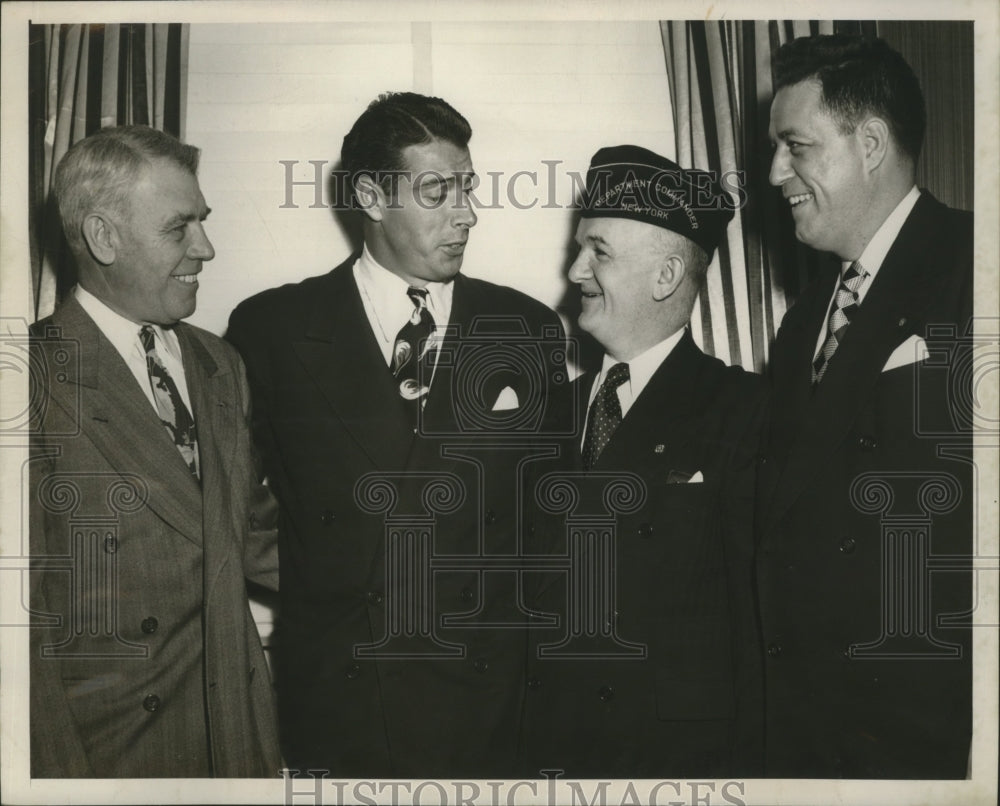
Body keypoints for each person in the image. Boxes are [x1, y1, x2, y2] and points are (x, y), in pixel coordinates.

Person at [226, 92, 570, 778]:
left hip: (490, 705)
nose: (467, 214)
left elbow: (550, 523)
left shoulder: (526, 327)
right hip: (343, 696)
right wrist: (342, 580)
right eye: (438, 191)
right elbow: (230, 505)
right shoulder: (274, 329)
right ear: (370, 197)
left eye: (467, 188)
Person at [29, 126, 281, 777]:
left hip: (232, 739)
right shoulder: (26, 380)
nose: (207, 247)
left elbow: (255, 535)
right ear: (103, 237)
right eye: (179, 229)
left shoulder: (218, 363)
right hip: (111, 756)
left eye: (203, 221)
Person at [758, 34, 973, 778]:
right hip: (810, 735)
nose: (775, 173)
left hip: (929, 738)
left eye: (797, 147)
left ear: (871, 143)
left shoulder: (976, 269)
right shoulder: (801, 321)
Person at [521, 145, 767, 778]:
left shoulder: (745, 411)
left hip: (678, 762)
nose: (574, 271)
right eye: (580, 248)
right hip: (548, 753)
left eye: (598, 251)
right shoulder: (546, 413)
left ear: (665, 276)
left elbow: (763, 626)